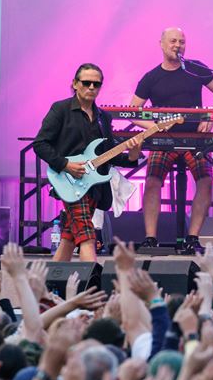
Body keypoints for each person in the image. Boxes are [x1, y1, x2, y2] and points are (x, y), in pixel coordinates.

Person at [131, 27, 213, 254]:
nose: (178, 45)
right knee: (153, 181)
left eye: (182, 42)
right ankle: (150, 239)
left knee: (206, 180)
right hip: (163, 141)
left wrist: (211, 117)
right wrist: (155, 128)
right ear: (162, 44)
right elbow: (133, 111)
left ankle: (192, 237)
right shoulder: (151, 78)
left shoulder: (196, 69)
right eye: (173, 41)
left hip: (195, 139)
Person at [33, 63, 143, 262]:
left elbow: (109, 154)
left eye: (96, 84)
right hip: (69, 181)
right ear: (75, 84)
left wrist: (133, 155)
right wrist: (65, 164)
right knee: (87, 237)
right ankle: (93, 288)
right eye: (86, 83)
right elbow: (40, 144)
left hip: (93, 186)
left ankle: (50, 286)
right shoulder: (61, 109)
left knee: (69, 237)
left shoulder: (103, 117)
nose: (92, 87)